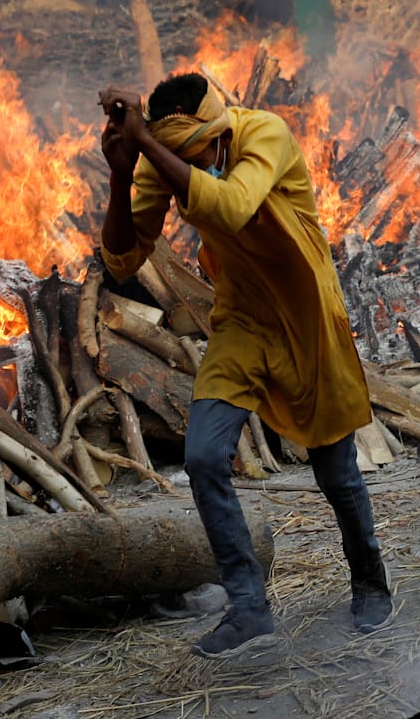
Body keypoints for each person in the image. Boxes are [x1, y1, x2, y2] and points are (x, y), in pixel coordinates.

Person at [97, 74, 393, 661]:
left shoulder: (265, 133)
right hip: (242, 319)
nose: (186, 166)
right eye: (173, 154)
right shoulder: (166, 156)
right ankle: (249, 607)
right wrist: (122, 170)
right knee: (204, 454)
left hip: (306, 314)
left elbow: (231, 207)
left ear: (216, 131)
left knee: (335, 470)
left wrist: (151, 145)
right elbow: (125, 257)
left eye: (193, 154)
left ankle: (370, 582)